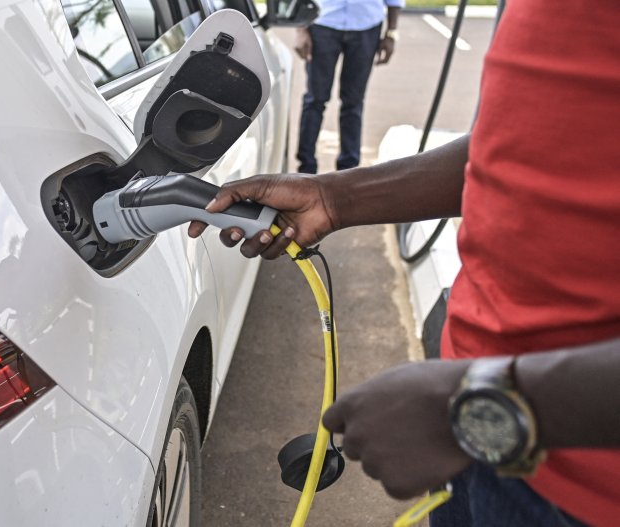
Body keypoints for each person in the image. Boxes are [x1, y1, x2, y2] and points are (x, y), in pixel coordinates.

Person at [188, 0, 620, 525]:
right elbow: (525, 145)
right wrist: (334, 198)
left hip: (574, 484)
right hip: (486, 436)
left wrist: (478, 404)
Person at [295, 0, 403, 174]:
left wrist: (391, 32)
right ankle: (305, 170)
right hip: (322, 24)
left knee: (353, 103)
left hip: (366, 27)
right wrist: (301, 29)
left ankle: (348, 172)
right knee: (315, 99)